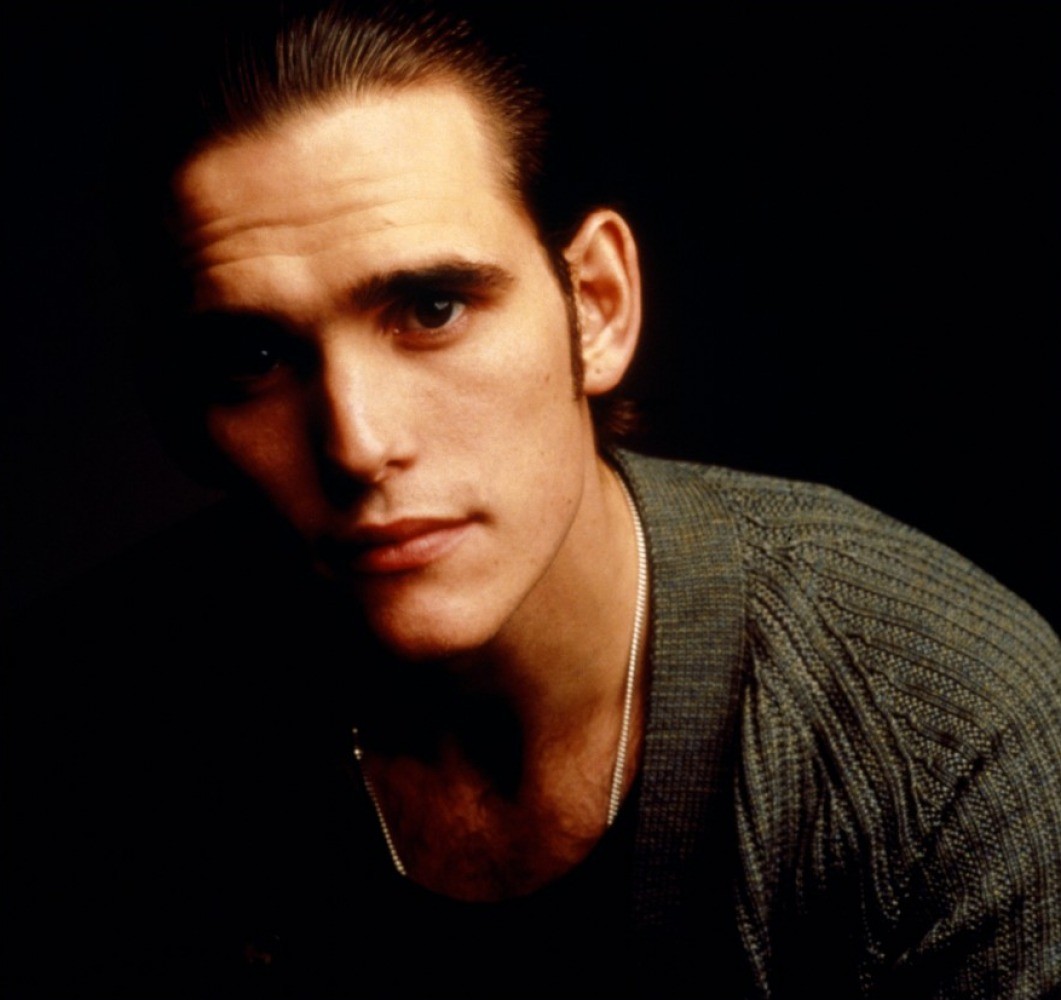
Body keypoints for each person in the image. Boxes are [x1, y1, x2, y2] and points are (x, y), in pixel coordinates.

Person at [5, 2, 1059, 997]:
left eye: (431, 308)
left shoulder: (947, 732)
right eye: (257, 355)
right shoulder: (87, 722)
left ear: (594, 306)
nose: (358, 445)